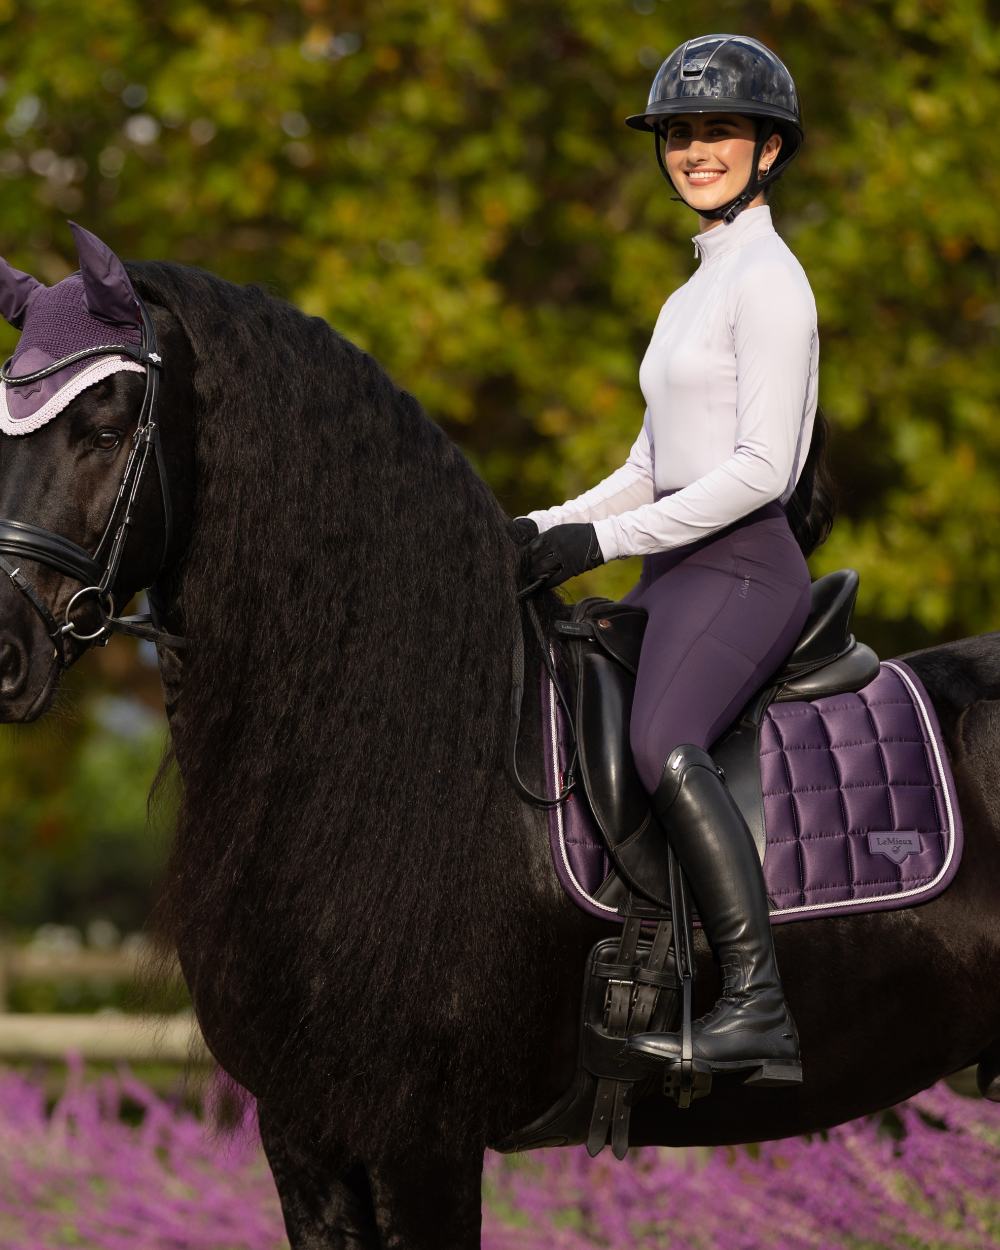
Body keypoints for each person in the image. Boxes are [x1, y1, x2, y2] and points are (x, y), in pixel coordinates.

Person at [514, 34, 833, 1085]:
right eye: (681, 133)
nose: (696, 150)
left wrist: (593, 542)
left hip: (744, 566)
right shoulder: (689, 289)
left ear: (770, 149)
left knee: (661, 739)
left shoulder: (772, 283)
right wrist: (533, 527)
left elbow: (758, 470)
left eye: (719, 131)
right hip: (672, 571)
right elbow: (649, 466)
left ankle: (757, 1005)